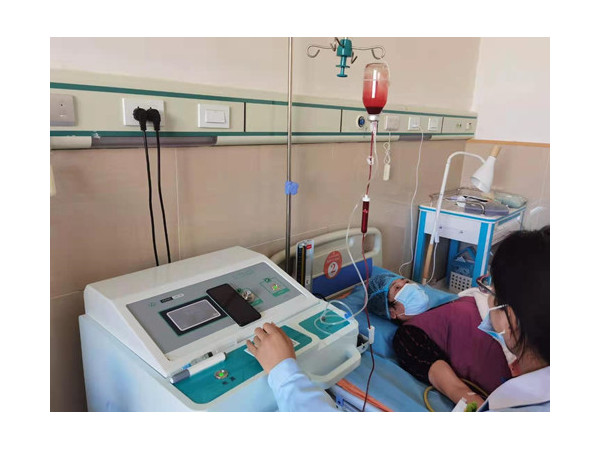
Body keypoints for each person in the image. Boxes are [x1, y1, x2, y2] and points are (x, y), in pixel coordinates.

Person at [246, 227, 550, 412]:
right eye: (397, 289)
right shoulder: (411, 335)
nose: (408, 286)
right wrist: (467, 397)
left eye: (404, 281)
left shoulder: (452, 299)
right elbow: (449, 382)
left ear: (514, 320)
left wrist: (285, 374)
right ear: (393, 313)